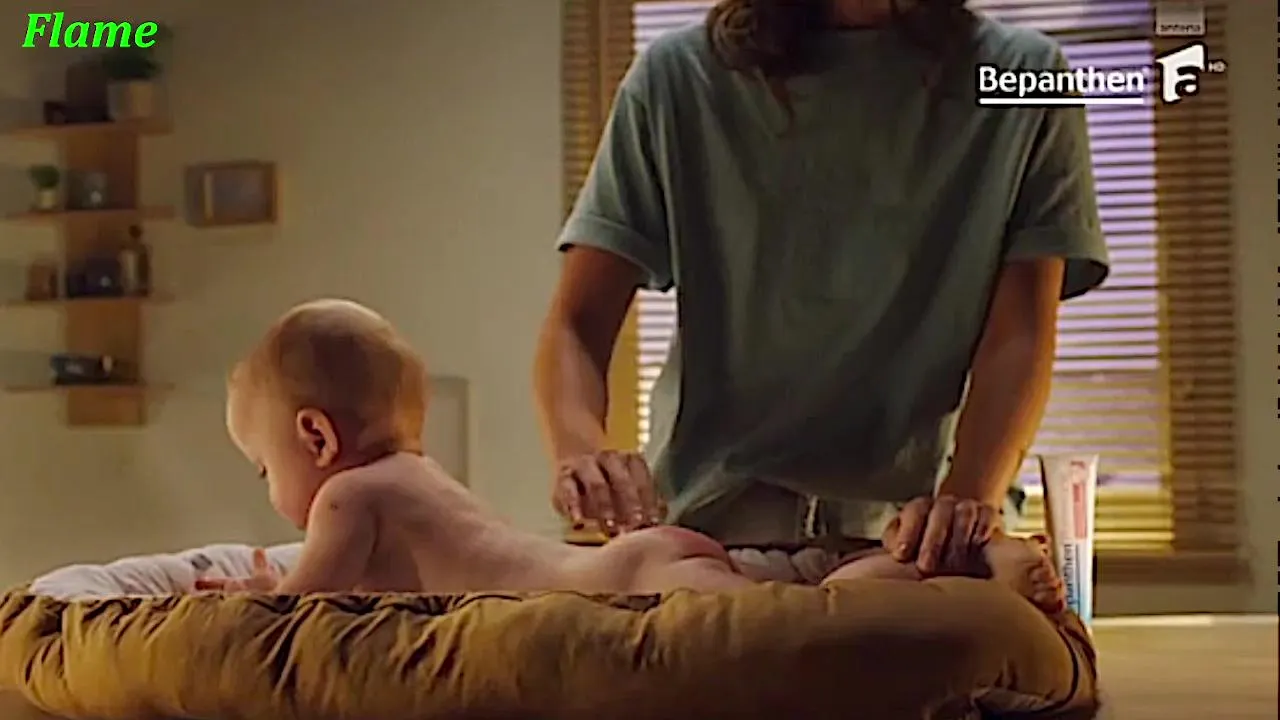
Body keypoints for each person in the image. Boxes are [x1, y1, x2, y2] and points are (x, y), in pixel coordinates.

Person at [534, 0, 1108, 586]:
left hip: (913, 545)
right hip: (710, 534)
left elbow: (1020, 334)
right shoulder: (678, 77)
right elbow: (578, 323)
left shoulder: (1025, 78)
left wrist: (968, 498)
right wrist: (581, 453)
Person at [200, 299, 1062, 612]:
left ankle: (960, 572)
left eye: (265, 468)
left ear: (317, 438)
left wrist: (254, 595)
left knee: (805, 623)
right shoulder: (417, 480)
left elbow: (303, 609)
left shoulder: (346, 499)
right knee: (788, 603)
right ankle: (946, 570)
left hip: (622, 590)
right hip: (633, 563)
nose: (273, 488)